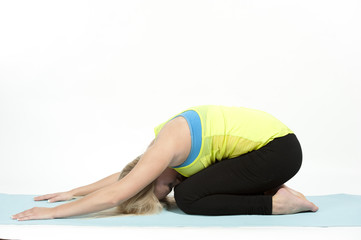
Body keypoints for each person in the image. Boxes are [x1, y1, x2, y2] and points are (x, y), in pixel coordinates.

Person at [12, 105, 318, 221]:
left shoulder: (165, 149)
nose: (176, 182)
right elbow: (125, 177)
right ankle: (272, 191)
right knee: (194, 189)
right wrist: (74, 190)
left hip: (277, 152)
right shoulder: (158, 152)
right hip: (276, 150)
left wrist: (52, 214)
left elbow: (119, 192)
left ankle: (278, 204)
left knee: (189, 197)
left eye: (167, 184)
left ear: (152, 174)